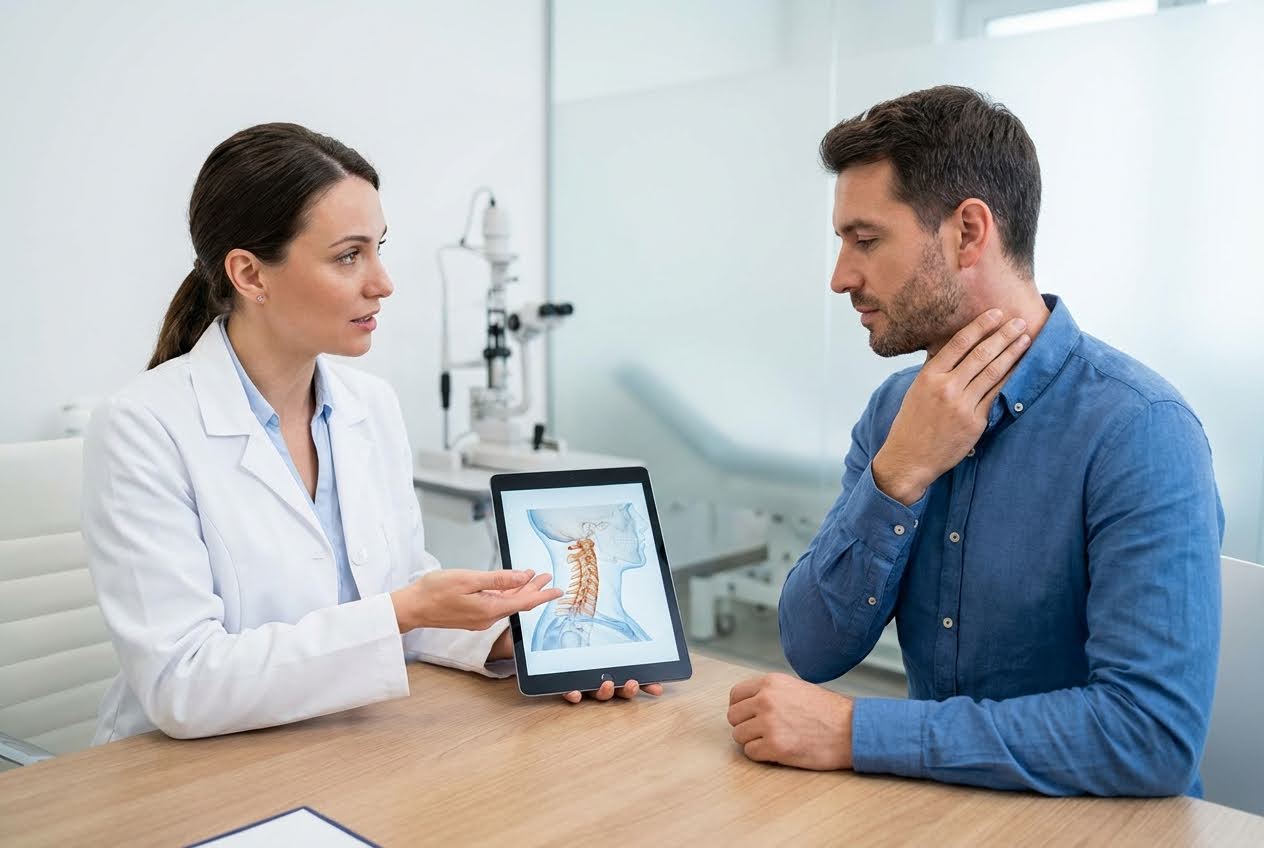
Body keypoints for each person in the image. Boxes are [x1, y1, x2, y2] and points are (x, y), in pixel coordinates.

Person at [84, 123, 657, 742]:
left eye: (378, 248)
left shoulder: (369, 405)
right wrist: (406, 611)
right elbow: (183, 683)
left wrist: (511, 640)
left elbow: (401, 594)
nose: (382, 282)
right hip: (184, 778)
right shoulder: (142, 428)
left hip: (345, 746)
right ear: (250, 275)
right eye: (349, 255)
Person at [726, 86, 1223, 796]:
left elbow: (1149, 737)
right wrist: (899, 473)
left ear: (967, 232)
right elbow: (812, 647)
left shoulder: (1141, 430)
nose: (841, 278)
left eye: (865, 240)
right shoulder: (894, 413)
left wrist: (854, 732)